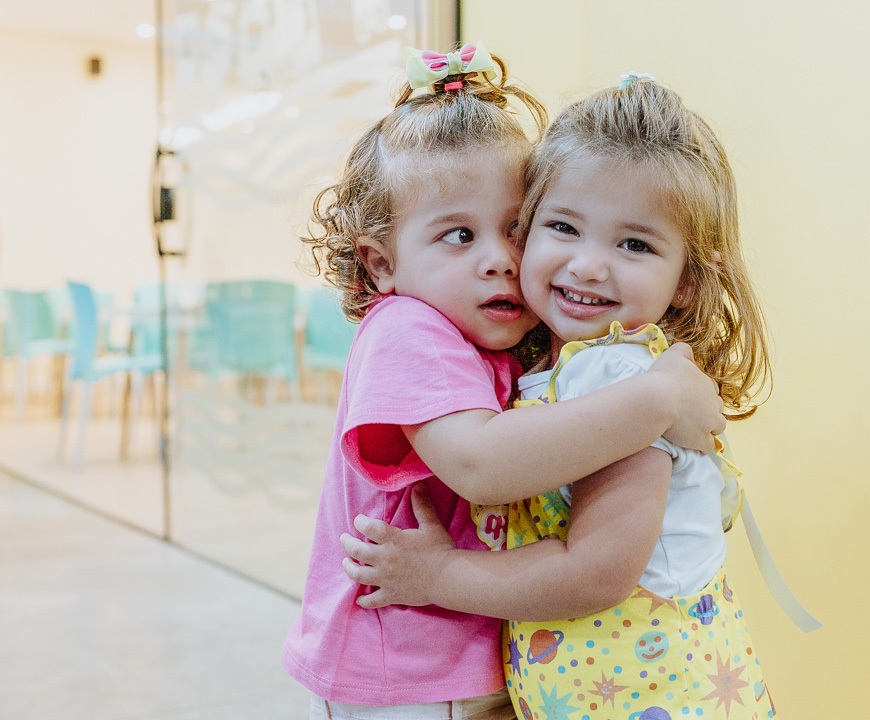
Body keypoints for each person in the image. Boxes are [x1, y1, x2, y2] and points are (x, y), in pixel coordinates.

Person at [282, 47, 727, 720]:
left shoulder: (508, 342)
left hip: (468, 652)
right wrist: (659, 400)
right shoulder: (407, 330)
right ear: (381, 264)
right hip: (403, 662)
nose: (500, 260)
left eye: (518, 229)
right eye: (458, 235)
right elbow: (480, 464)